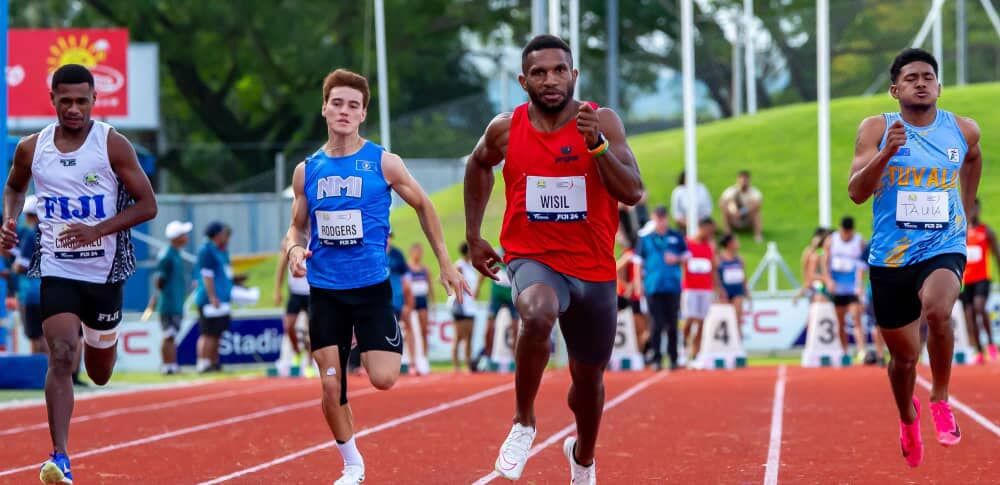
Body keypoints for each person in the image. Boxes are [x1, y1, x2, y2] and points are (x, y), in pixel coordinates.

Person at [464, 35, 643, 484]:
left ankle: (582, 457)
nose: (550, 80)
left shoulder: (600, 121)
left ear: (574, 75)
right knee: (537, 312)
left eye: (559, 70)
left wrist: (598, 145)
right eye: (539, 73)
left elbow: (633, 192)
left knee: (588, 385)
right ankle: (523, 422)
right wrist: (473, 235)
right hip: (532, 256)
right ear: (523, 81)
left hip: (593, 269)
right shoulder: (505, 129)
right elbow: (478, 164)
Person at [283, 68, 467, 485]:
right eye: (337, 103)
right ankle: (352, 464)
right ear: (324, 108)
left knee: (383, 379)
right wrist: (294, 247)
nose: (344, 111)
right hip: (325, 290)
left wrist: (445, 261)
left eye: (353, 105)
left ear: (363, 113)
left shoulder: (383, 162)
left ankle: (369, 335)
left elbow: (423, 205)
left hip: (370, 289)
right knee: (331, 387)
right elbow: (296, 225)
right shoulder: (306, 170)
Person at [0, 64, 157, 484]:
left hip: (104, 271)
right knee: (63, 355)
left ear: (93, 100)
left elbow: (147, 205)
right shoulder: (32, 149)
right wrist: (9, 219)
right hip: (57, 267)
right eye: (65, 100)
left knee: (100, 372)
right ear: (52, 99)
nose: (73, 109)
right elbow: (15, 186)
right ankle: (60, 458)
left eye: (81, 101)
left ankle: (104, 338)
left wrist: (98, 229)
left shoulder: (113, 145)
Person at [848, 48, 981, 467]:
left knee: (939, 309)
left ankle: (940, 397)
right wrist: (886, 153)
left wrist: (967, 205)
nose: (921, 82)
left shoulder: (962, 129)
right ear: (895, 89)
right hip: (891, 257)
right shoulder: (876, 128)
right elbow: (856, 192)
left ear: (938, 86)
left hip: (943, 243)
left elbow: (973, 160)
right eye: (911, 78)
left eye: (928, 76)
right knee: (903, 359)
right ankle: (908, 416)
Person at [636, 205, 686, 370]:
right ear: (653, 218)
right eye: (658, 218)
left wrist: (677, 258)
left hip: (672, 285)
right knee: (656, 324)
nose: (661, 221)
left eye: (663, 218)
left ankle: (673, 358)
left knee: (672, 323)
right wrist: (638, 285)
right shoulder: (646, 239)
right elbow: (638, 263)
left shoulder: (676, 236)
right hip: (653, 286)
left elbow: (687, 256)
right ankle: (656, 358)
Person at [195, 222, 244, 373]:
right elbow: (207, 275)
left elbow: (223, 274)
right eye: (224, 233)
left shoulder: (221, 251)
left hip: (222, 299)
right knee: (208, 332)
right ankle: (203, 362)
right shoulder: (207, 250)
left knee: (217, 333)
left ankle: (213, 361)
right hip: (210, 299)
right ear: (217, 234)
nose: (226, 236)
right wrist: (212, 296)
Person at [961, 198, 999, 363]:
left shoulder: (986, 231)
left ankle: (991, 345)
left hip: (982, 279)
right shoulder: (961, 232)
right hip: (965, 281)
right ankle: (978, 351)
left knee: (979, 307)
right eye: (971, 208)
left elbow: (997, 255)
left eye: (976, 209)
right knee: (969, 315)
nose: (974, 212)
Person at [824, 216, 867, 362]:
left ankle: (861, 351)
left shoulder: (859, 241)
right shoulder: (831, 240)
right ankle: (845, 352)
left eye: (849, 232)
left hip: (852, 287)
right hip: (837, 286)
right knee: (840, 321)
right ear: (840, 229)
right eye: (844, 232)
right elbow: (825, 262)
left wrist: (860, 284)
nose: (846, 235)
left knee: (856, 318)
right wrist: (828, 280)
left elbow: (863, 264)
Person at [682, 218, 725, 362]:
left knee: (702, 322)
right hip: (690, 288)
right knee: (690, 319)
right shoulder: (686, 244)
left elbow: (713, 269)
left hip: (705, 289)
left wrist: (718, 288)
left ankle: (696, 353)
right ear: (702, 228)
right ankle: (683, 349)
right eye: (709, 230)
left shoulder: (710, 247)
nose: (711, 234)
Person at [155, 220, 192, 375]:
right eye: (184, 234)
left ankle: (172, 364)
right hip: (169, 303)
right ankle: (167, 365)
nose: (187, 237)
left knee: (173, 335)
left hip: (176, 302)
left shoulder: (176, 254)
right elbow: (159, 280)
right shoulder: (167, 255)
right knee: (168, 334)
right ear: (177, 237)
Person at [471, 249, 519, 372]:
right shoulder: (495, 254)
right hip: (496, 297)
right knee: (489, 328)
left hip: (512, 296)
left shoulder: (516, 253)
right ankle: (487, 359)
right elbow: (483, 270)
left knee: (515, 330)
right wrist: (477, 288)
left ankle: (516, 361)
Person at [12, 195, 46, 355]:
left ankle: (40, 374)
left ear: (28, 215)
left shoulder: (32, 234)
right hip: (51, 290)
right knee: (48, 335)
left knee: (35, 336)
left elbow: (21, 266)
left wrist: (13, 267)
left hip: (32, 292)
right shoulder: (52, 232)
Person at [275, 232, 312, 370]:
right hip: (295, 293)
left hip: (311, 292)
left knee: (312, 331)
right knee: (288, 326)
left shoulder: (315, 237)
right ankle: (297, 352)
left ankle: (309, 363)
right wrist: (277, 291)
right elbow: (281, 267)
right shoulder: (289, 241)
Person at [452, 242, 480, 373]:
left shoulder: (471, 266)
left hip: (471, 305)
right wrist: (457, 291)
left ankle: (468, 363)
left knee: (470, 336)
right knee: (459, 336)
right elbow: (446, 279)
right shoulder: (460, 265)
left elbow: (474, 287)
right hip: (460, 305)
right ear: (467, 252)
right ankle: (456, 365)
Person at [403, 242, 434, 361]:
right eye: (417, 251)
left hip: (422, 300)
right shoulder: (406, 268)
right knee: (408, 329)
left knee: (424, 330)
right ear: (411, 252)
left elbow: (430, 287)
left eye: (421, 252)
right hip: (410, 300)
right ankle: (409, 358)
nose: (419, 254)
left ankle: (424, 358)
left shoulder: (425, 269)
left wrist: (432, 302)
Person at [615, 240, 647, 353]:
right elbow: (616, 270)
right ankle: (637, 355)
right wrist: (627, 286)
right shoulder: (631, 253)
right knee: (639, 330)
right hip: (630, 297)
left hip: (638, 297)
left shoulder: (642, 253)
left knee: (643, 330)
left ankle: (639, 355)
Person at [717, 233, 750, 339]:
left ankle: (738, 340)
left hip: (737, 291)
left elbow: (742, 275)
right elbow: (716, 276)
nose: (738, 243)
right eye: (736, 241)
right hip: (724, 291)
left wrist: (746, 290)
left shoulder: (739, 259)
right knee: (725, 317)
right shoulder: (719, 259)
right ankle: (725, 341)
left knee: (737, 316)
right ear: (729, 244)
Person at [718, 170, 764, 242]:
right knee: (725, 210)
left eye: (745, 180)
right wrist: (732, 211)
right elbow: (721, 203)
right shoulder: (731, 190)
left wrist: (742, 212)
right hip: (733, 218)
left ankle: (758, 235)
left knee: (756, 213)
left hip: (747, 218)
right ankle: (728, 235)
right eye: (742, 180)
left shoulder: (754, 192)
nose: (743, 182)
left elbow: (757, 205)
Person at [796, 227, 831, 304]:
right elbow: (807, 272)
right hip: (816, 285)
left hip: (816, 285)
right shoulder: (812, 253)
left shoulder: (819, 252)